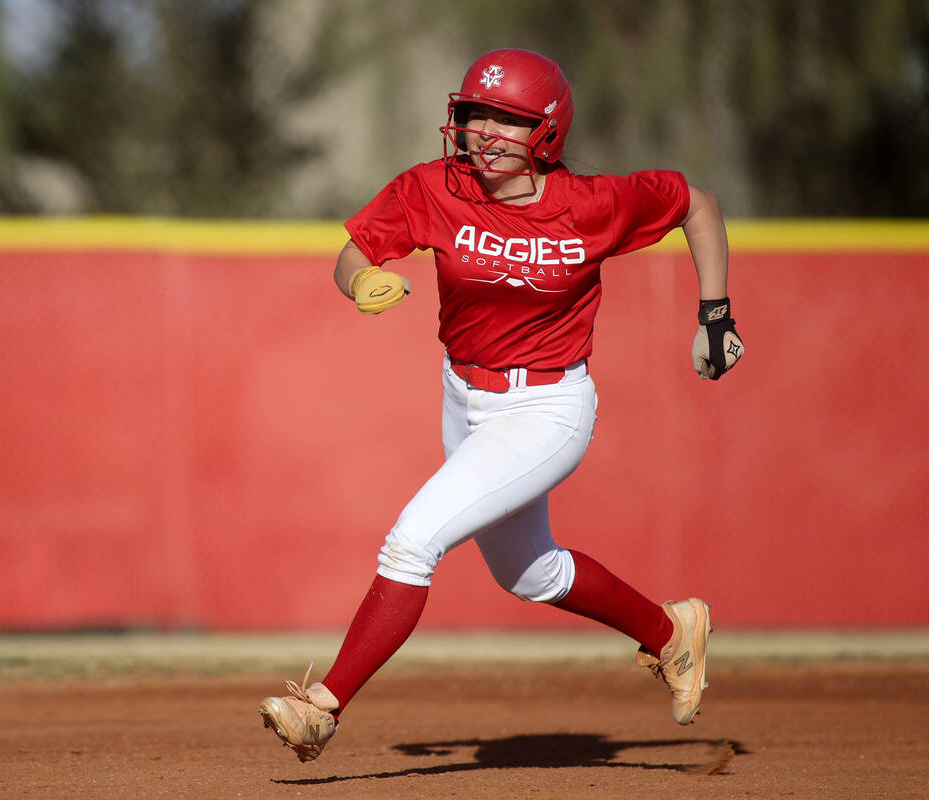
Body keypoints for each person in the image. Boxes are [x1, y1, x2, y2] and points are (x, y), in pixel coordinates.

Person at [258, 48, 744, 763]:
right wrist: (359, 282)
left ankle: (322, 708)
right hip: (465, 396)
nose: (483, 131)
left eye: (507, 119)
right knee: (530, 574)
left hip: (547, 406)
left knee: (413, 539)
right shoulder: (436, 188)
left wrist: (716, 315)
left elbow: (697, 204)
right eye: (475, 113)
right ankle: (674, 634)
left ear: (547, 132)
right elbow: (352, 254)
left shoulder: (591, 205)